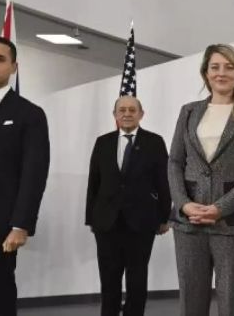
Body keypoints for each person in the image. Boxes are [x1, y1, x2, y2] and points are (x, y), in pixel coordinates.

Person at [168, 44, 234, 316]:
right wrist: (183, 204)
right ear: (205, 73)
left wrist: (220, 208)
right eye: (215, 67)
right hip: (188, 222)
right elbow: (175, 161)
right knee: (191, 299)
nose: (221, 73)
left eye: (229, 67)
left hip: (232, 222)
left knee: (231, 300)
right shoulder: (188, 111)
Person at [85, 96, 171, 316]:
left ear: (141, 114)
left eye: (132, 110)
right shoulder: (102, 142)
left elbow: (164, 181)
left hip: (142, 222)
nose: (127, 113)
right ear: (115, 114)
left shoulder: (155, 142)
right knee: (109, 278)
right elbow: (94, 182)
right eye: (121, 110)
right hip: (106, 222)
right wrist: (91, 218)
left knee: (137, 279)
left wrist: (164, 217)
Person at [0, 36, 50, 316]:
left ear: (14, 67)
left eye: (0, 59)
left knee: (0, 292)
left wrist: (21, 224)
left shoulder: (29, 114)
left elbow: (34, 173)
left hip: (2, 223)